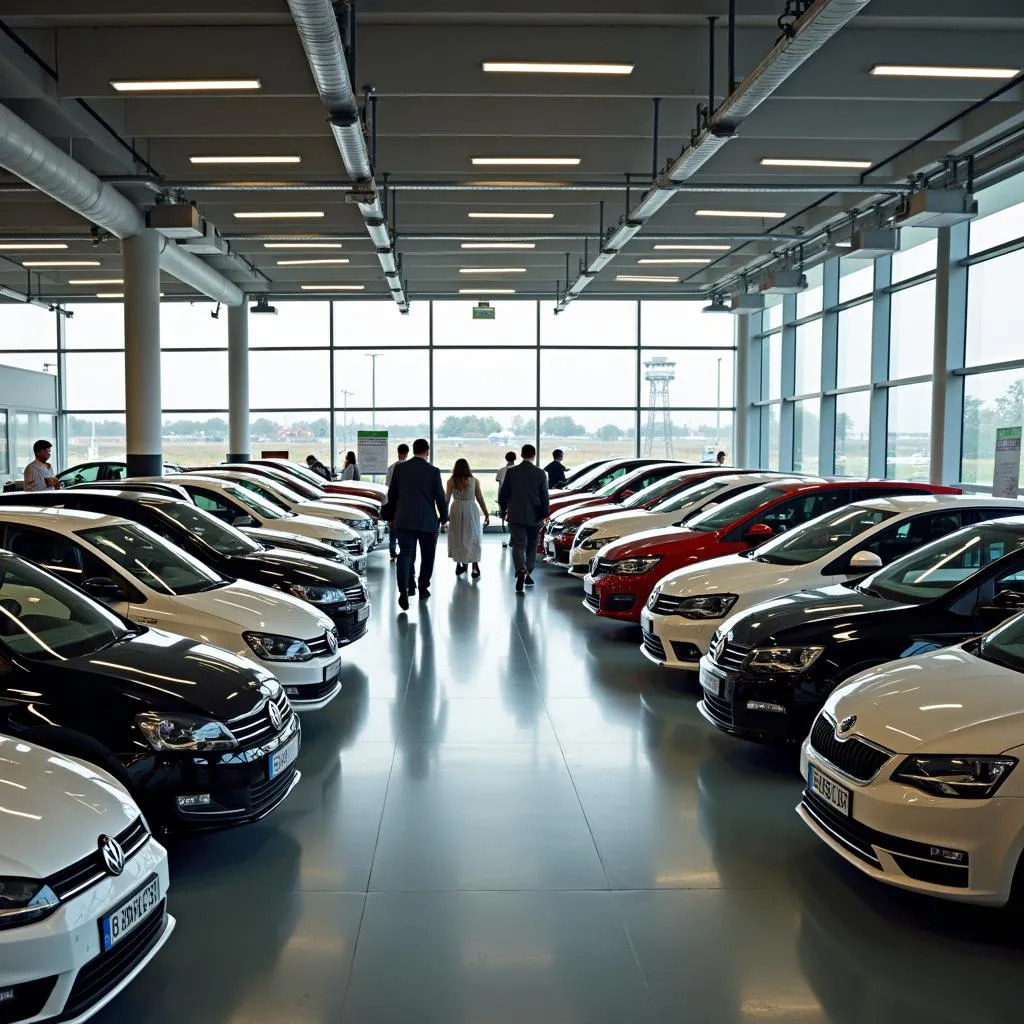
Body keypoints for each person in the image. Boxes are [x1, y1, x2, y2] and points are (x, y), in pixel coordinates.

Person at [387, 438, 449, 610]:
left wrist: (391, 516)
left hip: (404, 520)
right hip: (427, 522)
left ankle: (404, 590)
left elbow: (392, 495)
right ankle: (423, 587)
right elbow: (440, 497)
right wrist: (444, 517)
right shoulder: (433, 471)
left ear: (413, 451)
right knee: (428, 556)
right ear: (427, 452)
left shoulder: (400, 469)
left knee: (405, 554)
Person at [498, 443, 550, 594]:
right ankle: (527, 571)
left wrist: (504, 507)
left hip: (515, 515)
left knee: (519, 545)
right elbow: (544, 497)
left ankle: (520, 571)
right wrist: (545, 513)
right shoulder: (540, 474)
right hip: (534, 516)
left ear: (521, 455)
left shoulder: (512, 472)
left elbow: (503, 494)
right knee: (532, 545)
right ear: (534, 455)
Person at [446, 458, 490, 579]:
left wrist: (443, 516)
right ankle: (474, 566)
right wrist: (486, 513)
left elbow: (447, 499)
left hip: (456, 509)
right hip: (471, 508)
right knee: (473, 535)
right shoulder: (474, 480)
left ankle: (460, 564)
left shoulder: (451, 481)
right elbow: (479, 497)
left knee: (457, 535)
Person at [385, 443, 410, 560]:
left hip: (393, 501)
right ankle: (404, 550)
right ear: (407, 453)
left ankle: (392, 550)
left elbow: (387, 487)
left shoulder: (391, 468)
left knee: (392, 527)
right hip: (406, 503)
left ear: (398, 452)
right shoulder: (411, 468)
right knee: (405, 528)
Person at [495, 451, 516, 547]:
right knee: (513, 518)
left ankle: (510, 536)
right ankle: (512, 537)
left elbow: (500, 485)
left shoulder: (501, 470)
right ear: (515, 458)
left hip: (503, 497)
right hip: (514, 497)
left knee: (505, 516)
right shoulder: (517, 469)